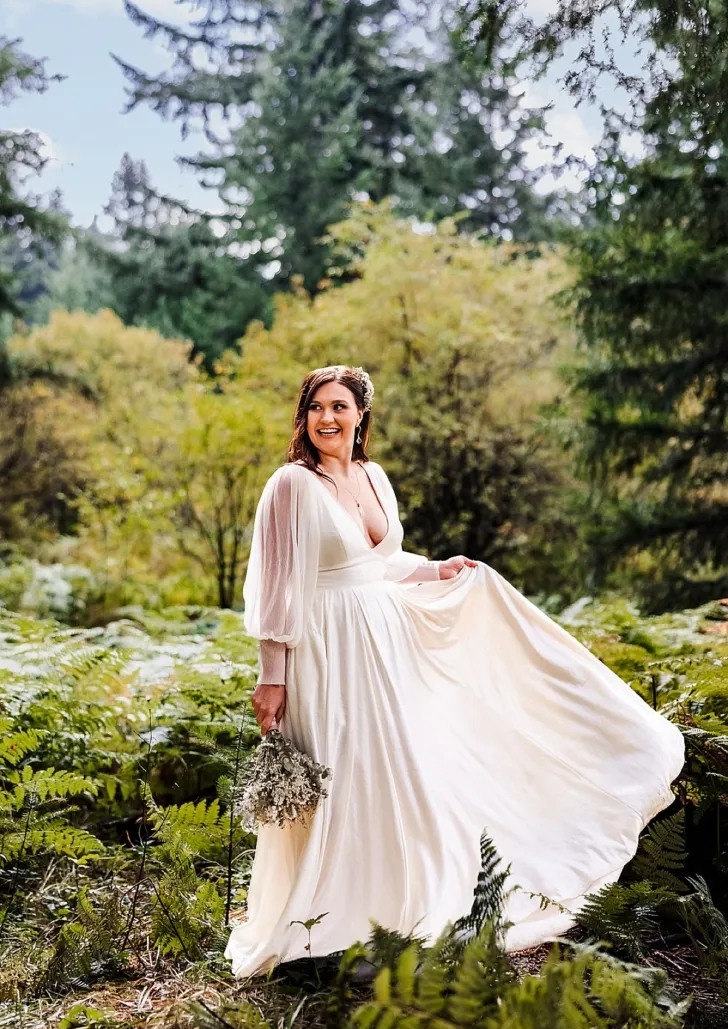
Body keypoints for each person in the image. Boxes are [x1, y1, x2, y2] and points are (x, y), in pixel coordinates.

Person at [224, 364, 685, 978]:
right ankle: (325, 926)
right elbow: (279, 589)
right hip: (326, 650)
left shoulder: (373, 476)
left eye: (340, 407)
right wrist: (272, 676)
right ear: (303, 417)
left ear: (361, 416)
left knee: (402, 773)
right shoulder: (290, 485)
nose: (327, 419)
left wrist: (435, 569)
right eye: (316, 408)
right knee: (346, 774)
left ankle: (399, 908)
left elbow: (378, 563)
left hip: (385, 645)